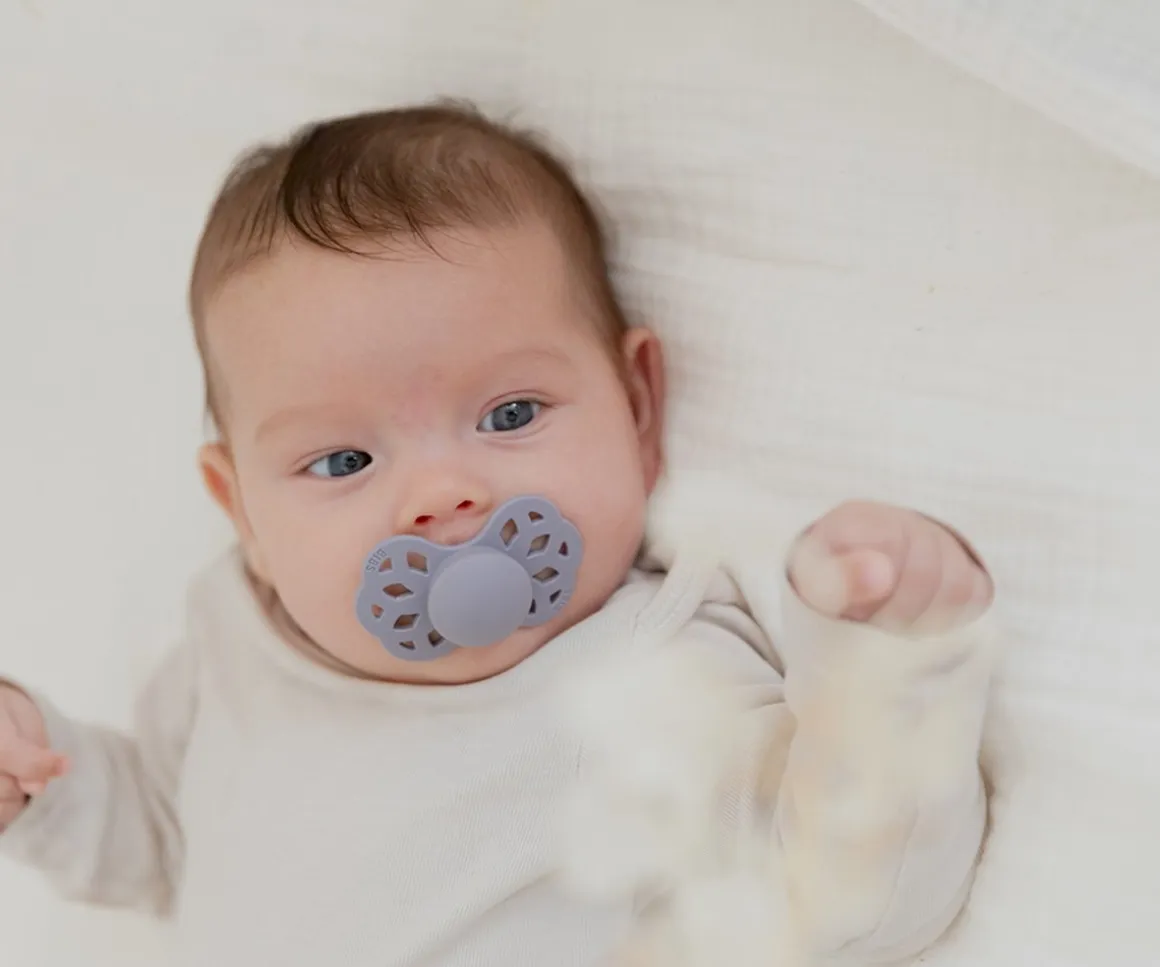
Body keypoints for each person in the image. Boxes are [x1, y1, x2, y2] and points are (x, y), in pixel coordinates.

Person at [0, 103, 995, 966]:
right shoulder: (229, 649)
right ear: (243, 514)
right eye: (342, 461)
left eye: (510, 414)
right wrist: (43, 778)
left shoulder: (653, 676)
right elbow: (165, 844)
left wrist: (885, 670)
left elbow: (846, 898)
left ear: (637, 409)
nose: (441, 498)